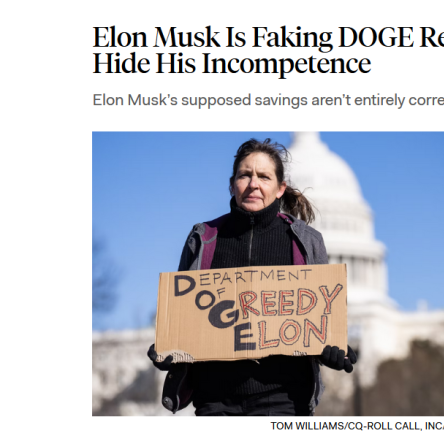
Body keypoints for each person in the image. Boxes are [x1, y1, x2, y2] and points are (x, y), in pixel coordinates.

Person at [147, 138, 357, 416]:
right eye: (245, 175)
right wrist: (168, 347)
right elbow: (186, 317)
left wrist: (330, 349)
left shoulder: (305, 241)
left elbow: (317, 317)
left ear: (280, 188)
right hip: (215, 400)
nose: (253, 183)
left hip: (284, 399)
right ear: (232, 183)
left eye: (264, 176)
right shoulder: (203, 239)